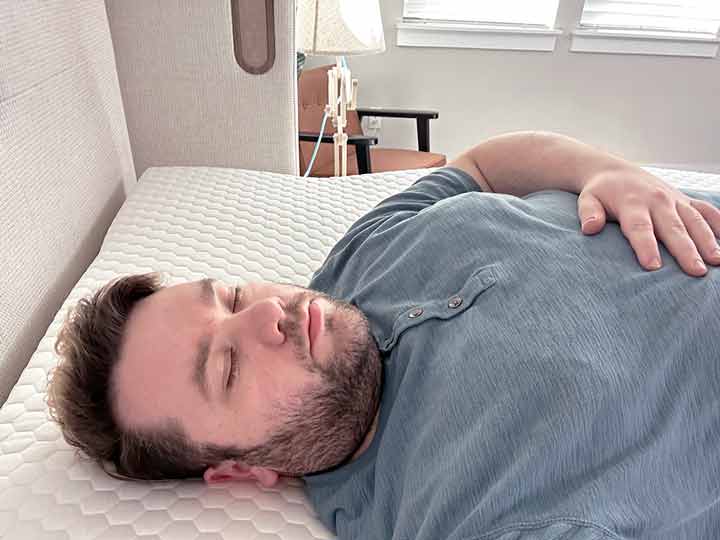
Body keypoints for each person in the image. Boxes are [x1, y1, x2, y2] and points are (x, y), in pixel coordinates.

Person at [48, 131, 720, 540]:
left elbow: (482, 165)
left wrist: (604, 172)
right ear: (240, 470)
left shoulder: (355, 258)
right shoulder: (463, 511)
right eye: (227, 367)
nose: (265, 316)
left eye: (230, 296)